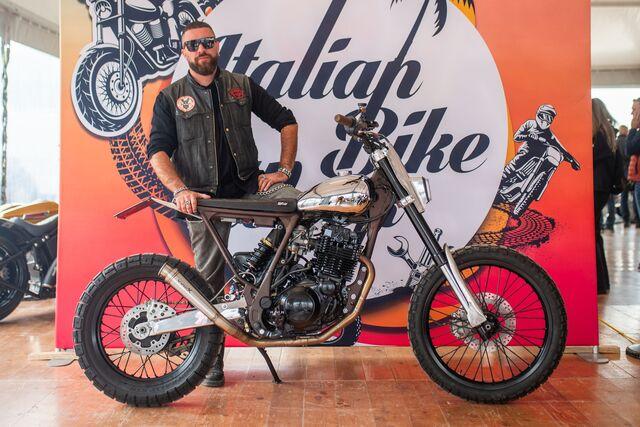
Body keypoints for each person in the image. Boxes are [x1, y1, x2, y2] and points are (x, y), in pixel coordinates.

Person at [147, 21, 300, 387]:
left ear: (217, 46)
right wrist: (180, 190)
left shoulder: (241, 85)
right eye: (193, 44)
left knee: (301, 209)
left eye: (207, 42)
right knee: (208, 283)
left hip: (249, 188)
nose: (201, 49)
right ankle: (211, 362)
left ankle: (265, 286)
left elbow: (286, 121)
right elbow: (157, 151)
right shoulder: (170, 98)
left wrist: (283, 171)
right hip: (204, 200)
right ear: (184, 52)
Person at [592, 98, 617, 295]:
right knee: (595, 233)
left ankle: (600, 283)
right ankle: (602, 283)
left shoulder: (598, 136)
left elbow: (591, 160)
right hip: (603, 188)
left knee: (593, 234)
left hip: (596, 187)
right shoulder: (608, 133)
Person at [605, 125, 631, 230]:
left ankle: (609, 223)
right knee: (618, 199)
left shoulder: (611, 143)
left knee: (619, 199)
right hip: (624, 174)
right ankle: (622, 220)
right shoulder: (619, 143)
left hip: (610, 177)